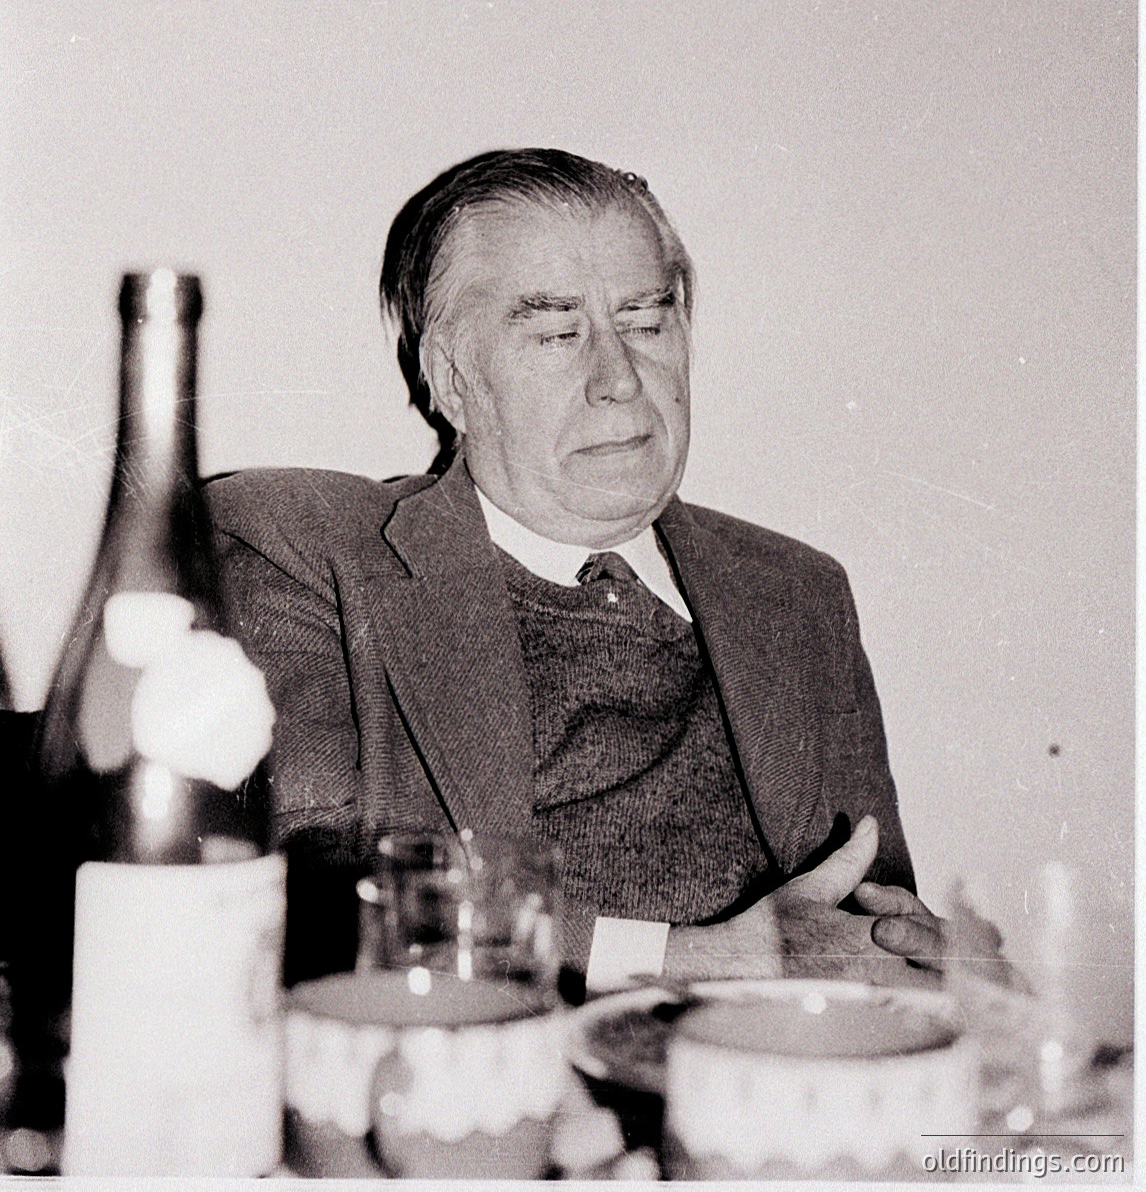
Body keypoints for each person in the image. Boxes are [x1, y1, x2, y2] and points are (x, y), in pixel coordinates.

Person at [208, 149, 962, 988]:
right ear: (452, 382)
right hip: (487, 1085)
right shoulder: (305, 551)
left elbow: (872, 919)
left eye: (645, 322)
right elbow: (313, 903)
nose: (618, 380)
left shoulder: (796, 593)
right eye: (559, 333)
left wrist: (913, 951)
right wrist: (698, 961)